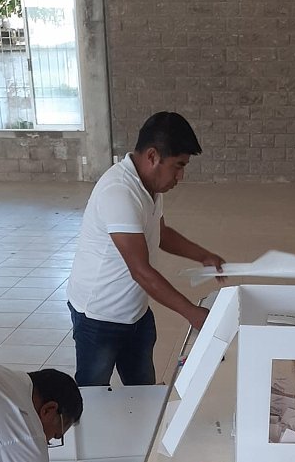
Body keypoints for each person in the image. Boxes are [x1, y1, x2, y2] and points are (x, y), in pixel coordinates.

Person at [68, 111, 225, 387]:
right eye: (178, 166)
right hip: (99, 318)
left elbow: (160, 233)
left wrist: (203, 255)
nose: (181, 176)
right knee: (92, 397)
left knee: (142, 394)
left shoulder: (150, 187)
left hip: (135, 314)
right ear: (152, 156)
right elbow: (140, 271)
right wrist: (192, 313)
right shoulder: (119, 192)